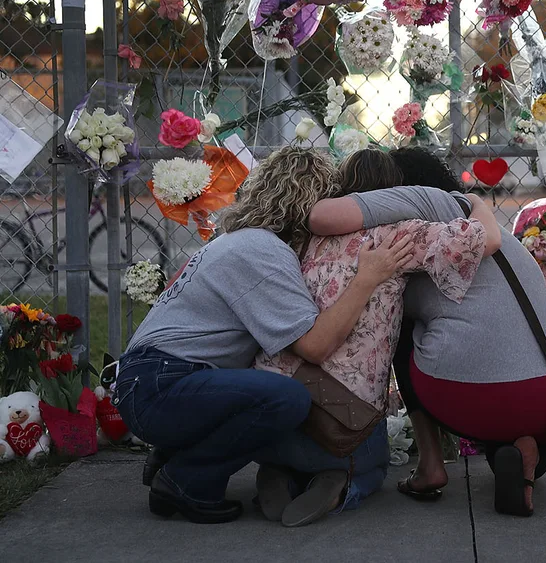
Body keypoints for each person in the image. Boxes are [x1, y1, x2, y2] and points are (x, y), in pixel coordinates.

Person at [114, 147, 415, 525]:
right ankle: (186, 480)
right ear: (310, 205)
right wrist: (367, 279)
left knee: (266, 389)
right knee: (287, 398)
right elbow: (315, 346)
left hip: (150, 382)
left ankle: (178, 458)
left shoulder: (237, 241)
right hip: (160, 387)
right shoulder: (263, 251)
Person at [308, 147, 546, 517]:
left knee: (402, 323)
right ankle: (521, 447)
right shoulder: (482, 227)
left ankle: (431, 464)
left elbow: (320, 217)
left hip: (462, 391)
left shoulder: (419, 219)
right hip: (545, 399)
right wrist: (480, 203)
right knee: (525, 448)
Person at [253, 149, 499, 526]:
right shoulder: (398, 235)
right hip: (340, 414)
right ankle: (343, 484)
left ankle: (279, 471)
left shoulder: (301, 236)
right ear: (393, 192)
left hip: (272, 392)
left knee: (289, 442)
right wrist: (476, 202)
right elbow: (484, 240)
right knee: (371, 465)